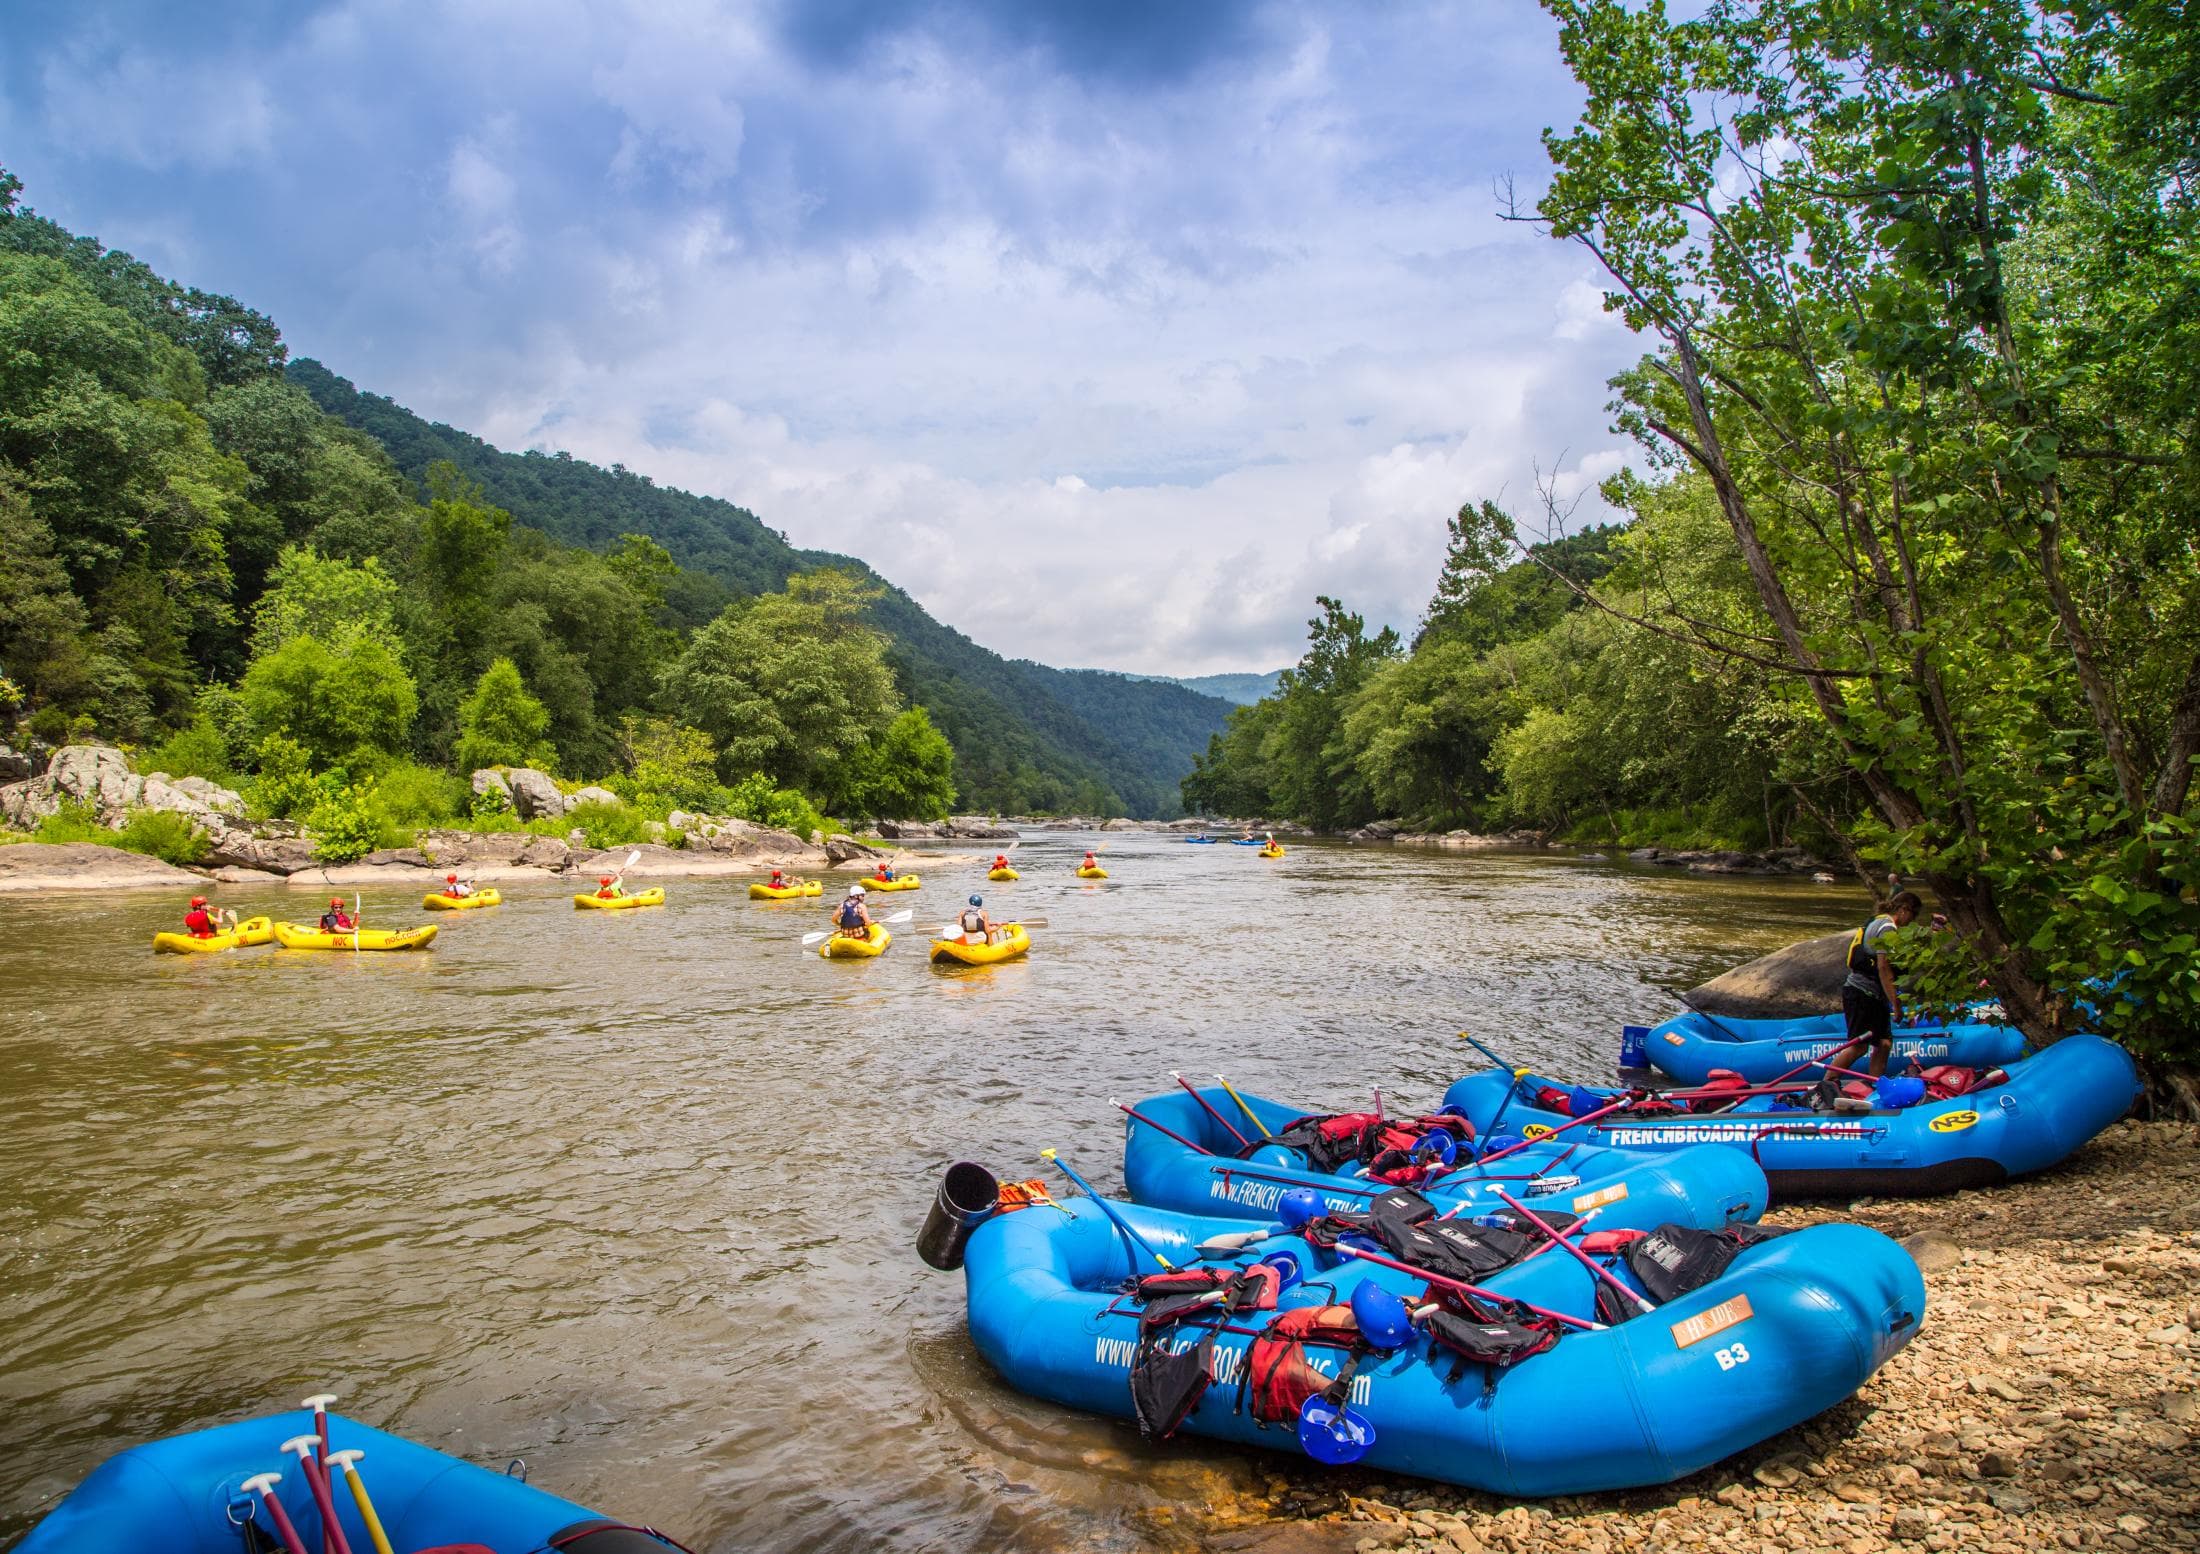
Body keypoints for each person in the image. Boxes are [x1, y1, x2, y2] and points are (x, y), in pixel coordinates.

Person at [1817, 891, 1924, 1105]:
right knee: (1859, 1046)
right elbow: (1884, 968)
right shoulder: (1886, 927)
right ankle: (1826, 1085)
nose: (1910, 922)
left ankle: (1875, 1086)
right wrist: (1896, 1002)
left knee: (1883, 1043)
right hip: (1861, 992)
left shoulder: (1882, 923)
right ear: (1903, 910)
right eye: (1912, 916)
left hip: (1873, 995)